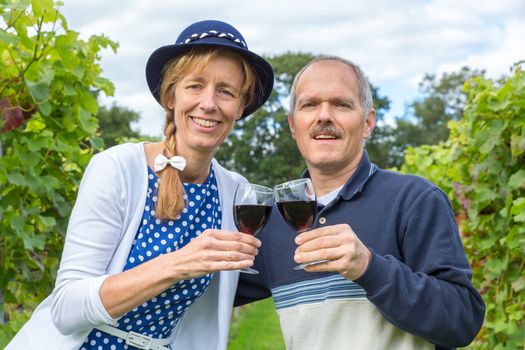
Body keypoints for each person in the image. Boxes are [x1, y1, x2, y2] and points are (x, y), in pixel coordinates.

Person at [6, 19, 274, 350]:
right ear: (171, 95)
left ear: (241, 106)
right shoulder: (117, 169)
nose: (209, 103)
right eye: (195, 86)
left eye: (226, 91)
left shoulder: (234, 191)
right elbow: (67, 309)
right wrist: (180, 263)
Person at [235, 55, 485, 350]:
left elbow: (462, 320)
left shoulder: (415, 200)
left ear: (368, 122)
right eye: (310, 104)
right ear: (293, 125)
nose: (324, 116)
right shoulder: (273, 221)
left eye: (341, 104)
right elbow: (205, 294)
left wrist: (369, 267)